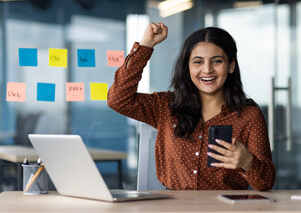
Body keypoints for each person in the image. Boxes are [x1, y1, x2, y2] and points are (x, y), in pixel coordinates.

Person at [107, 22, 276, 191]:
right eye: (198, 62)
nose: (207, 70)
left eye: (217, 61)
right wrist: (146, 45)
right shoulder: (165, 106)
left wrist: (247, 161)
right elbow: (118, 99)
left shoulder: (249, 116)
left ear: (231, 65)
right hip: (173, 208)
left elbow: (266, 183)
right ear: (187, 67)